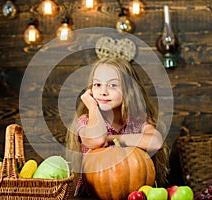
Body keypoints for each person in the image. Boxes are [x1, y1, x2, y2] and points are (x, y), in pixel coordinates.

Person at [65, 57, 170, 196]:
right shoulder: (86, 121)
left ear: (129, 89)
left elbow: (156, 142)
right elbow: (97, 140)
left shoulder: (136, 121)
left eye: (112, 85)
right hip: (94, 196)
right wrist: (92, 105)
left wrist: (113, 138)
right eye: (97, 85)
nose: (103, 91)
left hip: (135, 195)